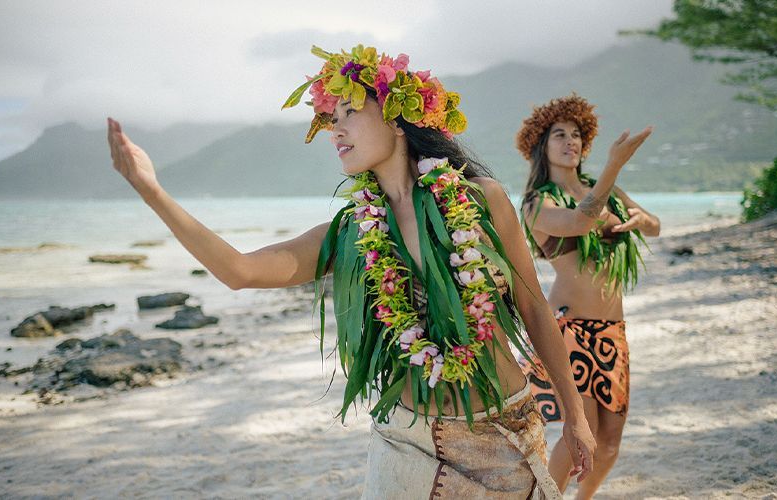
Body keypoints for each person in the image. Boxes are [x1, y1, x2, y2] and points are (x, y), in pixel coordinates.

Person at [107, 45, 603, 499]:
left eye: (349, 113)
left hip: (503, 431)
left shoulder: (481, 199)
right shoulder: (348, 234)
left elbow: (533, 306)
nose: (336, 129)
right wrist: (153, 192)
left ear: (397, 120)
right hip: (408, 440)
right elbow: (239, 271)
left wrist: (576, 417)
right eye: (331, 119)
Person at [516, 94, 660, 498]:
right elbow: (581, 220)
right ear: (541, 147)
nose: (570, 142)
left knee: (611, 443)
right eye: (558, 134)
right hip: (569, 329)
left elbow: (655, 226)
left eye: (576, 134)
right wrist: (615, 164)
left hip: (613, 330)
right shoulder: (537, 202)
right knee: (582, 434)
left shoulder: (606, 190)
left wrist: (640, 219)